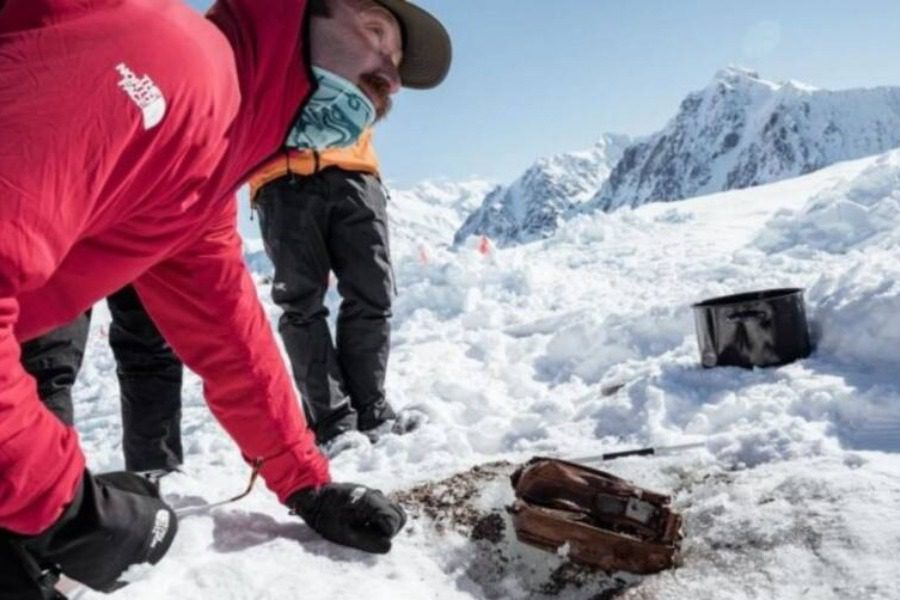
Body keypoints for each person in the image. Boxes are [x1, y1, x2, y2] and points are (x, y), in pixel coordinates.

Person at [0, 0, 451, 597]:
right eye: (374, 33)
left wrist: (305, 483)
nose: (388, 77)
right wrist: (61, 503)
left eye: (394, 67)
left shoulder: (212, 155)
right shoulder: (172, 63)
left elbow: (231, 339)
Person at [251, 128, 401, 448]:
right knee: (301, 305)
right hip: (281, 176)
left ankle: (371, 410)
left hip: (356, 170)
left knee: (373, 294)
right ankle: (332, 424)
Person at [21, 285, 184, 476]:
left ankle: (154, 468)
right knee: (47, 368)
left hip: (120, 260)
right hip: (64, 262)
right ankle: (47, 483)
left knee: (151, 344)